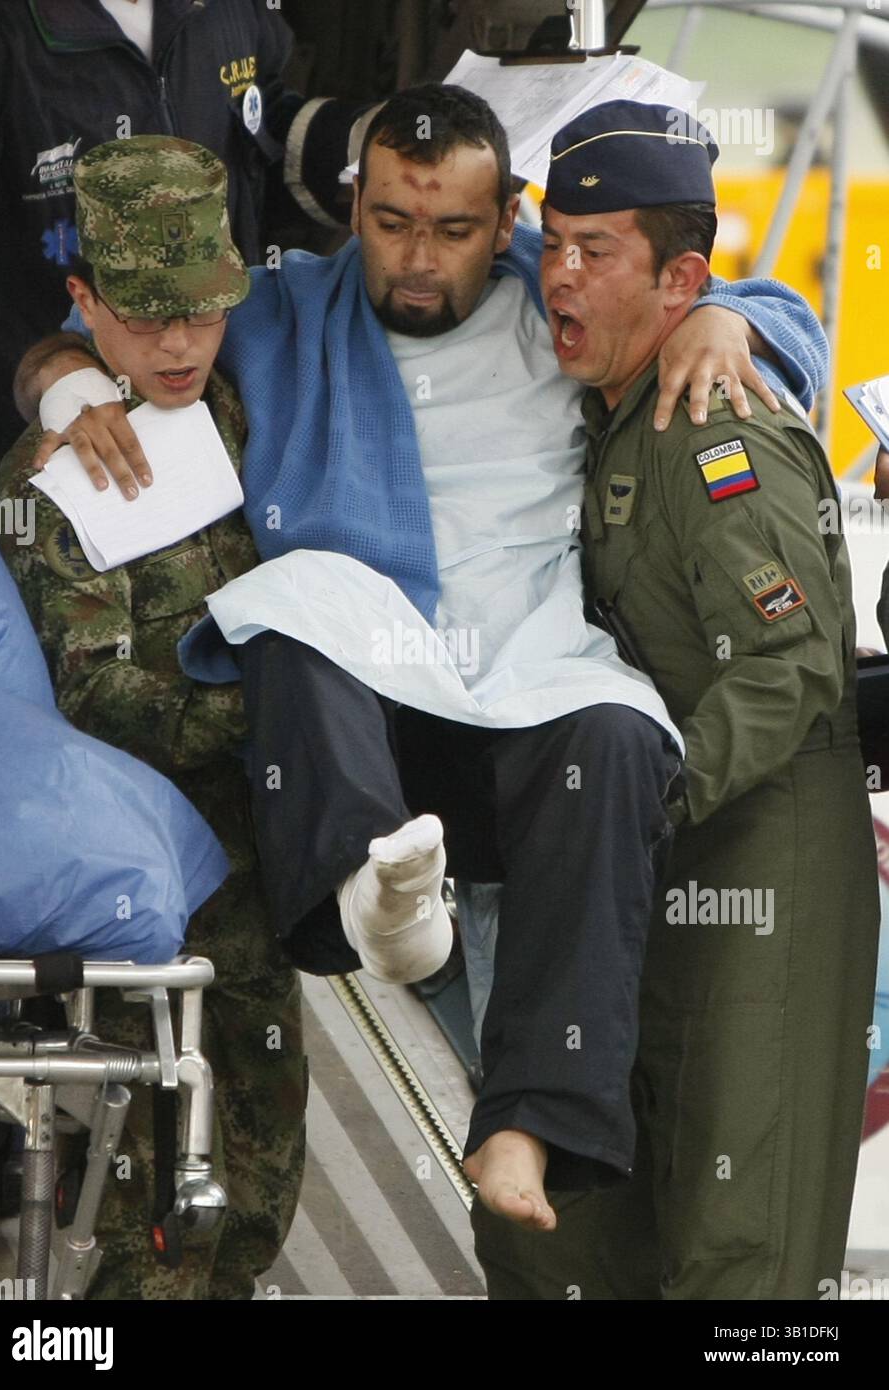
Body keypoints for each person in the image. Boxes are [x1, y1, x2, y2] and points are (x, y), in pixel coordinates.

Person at [16, 85, 829, 1237]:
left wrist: (732, 323)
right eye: (392, 220)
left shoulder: (557, 300)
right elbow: (122, 323)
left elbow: (754, 305)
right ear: (355, 207)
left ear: (507, 225)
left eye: (453, 230)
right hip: (371, 687)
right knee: (291, 606)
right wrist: (58, 376)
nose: (416, 257)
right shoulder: (287, 310)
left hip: (530, 661)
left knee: (615, 730)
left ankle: (528, 1121)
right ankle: (372, 893)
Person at [470, 99, 881, 1299]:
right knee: (585, 1228)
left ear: (681, 278)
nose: (560, 275)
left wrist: (651, 786)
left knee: (735, 1244)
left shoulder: (715, 428)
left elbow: (797, 660)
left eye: (597, 253)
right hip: (656, 872)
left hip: (766, 871)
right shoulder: (611, 410)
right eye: (553, 243)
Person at [0, 135, 306, 1300]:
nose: (177, 346)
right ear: (85, 302)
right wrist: (279, 710)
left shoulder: (258, 412)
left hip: (257, 884)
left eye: (203, 314)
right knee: (140, 1212)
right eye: (145, 317)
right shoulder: (51, 479)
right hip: (131, 898)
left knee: (261, 1184)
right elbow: (86, 703)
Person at [0, 0, 373, 490]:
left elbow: (261, 127)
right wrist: (51, 375)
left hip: (222, 419)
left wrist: (365, 145)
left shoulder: (231, 12)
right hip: (47, 436)